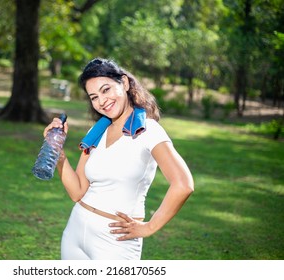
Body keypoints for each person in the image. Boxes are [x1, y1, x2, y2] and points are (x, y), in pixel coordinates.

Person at [43, 58, 194, 260]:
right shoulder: (97, 131)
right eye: (94, 97)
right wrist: (58, 154)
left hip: (116, 242)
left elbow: (183, 184)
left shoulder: (149, 131)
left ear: (124, 83)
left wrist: (149, 227)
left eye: (106, 90)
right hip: (75, 231)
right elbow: (77, 191)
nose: (102, 101)